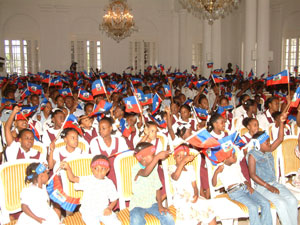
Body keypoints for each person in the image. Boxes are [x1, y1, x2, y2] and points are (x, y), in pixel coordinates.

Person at [248, 111, 298, 225]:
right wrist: (268, 186)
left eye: (269, 142)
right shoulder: (252, 155)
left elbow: (280, 139)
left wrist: (281, 122)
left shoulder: (268, 150)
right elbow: (252, 175)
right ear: (257, 145)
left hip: (274, 183)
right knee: (281, 203)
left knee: (292, 201)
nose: (270, 144)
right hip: (262, 187)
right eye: (267, 142)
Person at [212, 151, 272, 225]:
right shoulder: (221, 167)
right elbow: (213, 184)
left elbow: (243, 179)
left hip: (245, 187)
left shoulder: (236, 165)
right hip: (235, 192)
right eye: (232, 155)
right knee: (253, 207)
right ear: (225, 158)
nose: (235, 155)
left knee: (266, 203)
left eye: (234, 153)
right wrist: (216, 172)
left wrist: (249, 186)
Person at [60, 155, 121, 225]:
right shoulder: (88, 179)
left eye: (103, 169)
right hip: (88, 211)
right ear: (92, 169)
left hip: (103, 210)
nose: (99, 171)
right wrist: (68, 168)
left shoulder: (109, 183)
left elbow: (114, 199)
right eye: (96, 168)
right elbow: (72, 178)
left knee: (115, 222)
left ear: (107, 170)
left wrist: (109, 208)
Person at [169, 145, 216, 225]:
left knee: (209, 209)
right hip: (181, 199)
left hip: (192, 196)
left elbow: (194, 186)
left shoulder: (190, 169)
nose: (181, 158)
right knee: (193, 214)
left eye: (184, 156)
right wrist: (183, 162)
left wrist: (196, 194)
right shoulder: (172, 168)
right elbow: (175, 177)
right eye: (178, 156)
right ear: (174, 158)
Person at [129, 142, 174, 225]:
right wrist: (157, 158)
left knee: (168, 217)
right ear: (143, 158)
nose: (154, 156)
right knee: (136, 221)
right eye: (152, 155)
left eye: (154, 155)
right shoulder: (136, 169)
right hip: (137, 205)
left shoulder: (153, 169)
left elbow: (157, 188)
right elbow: (146, 173)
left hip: (152, 203)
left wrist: (160, 206)